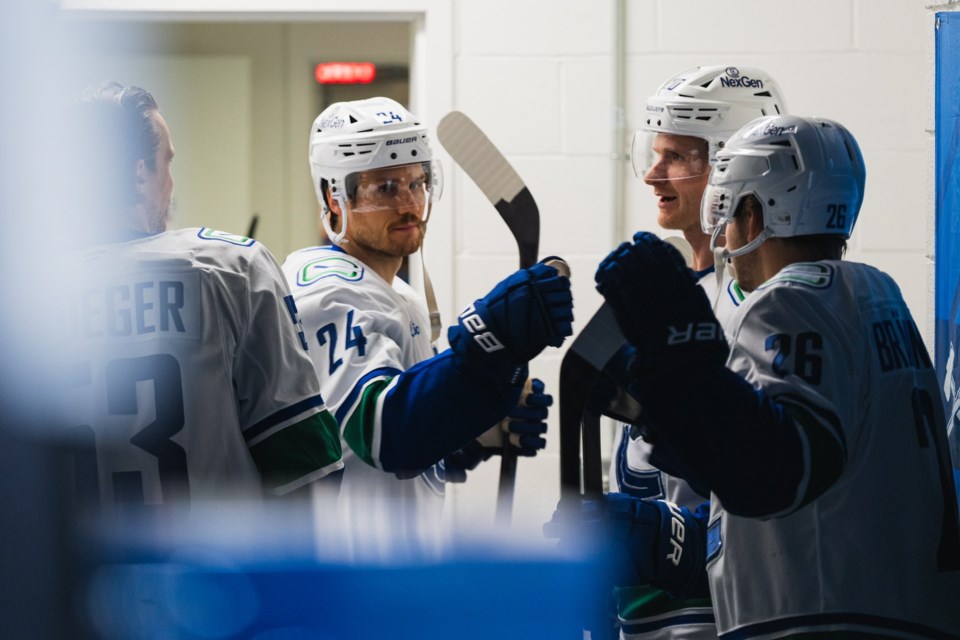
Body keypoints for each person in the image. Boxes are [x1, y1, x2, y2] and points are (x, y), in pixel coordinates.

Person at [591, 114, 960, 637]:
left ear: (759, 213)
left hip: (824, 619)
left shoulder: (788, 302)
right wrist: (663, 416)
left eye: (729, 205)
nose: (722, 228)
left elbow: (777, 471)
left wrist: (679, 366)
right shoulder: (877, 296)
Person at [282, 97, 573, 555]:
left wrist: (472, 431)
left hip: (399, 567)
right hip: (350, 579)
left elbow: (409, 462)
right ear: (334, 198)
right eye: (385, 188)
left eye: (418, 183)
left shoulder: (401, 294)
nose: (409, 203)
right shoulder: (327, 292)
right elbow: (383, 435)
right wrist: (483, 350)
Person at [62, 82, 344, 519]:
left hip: (76, 582)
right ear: (140, 171)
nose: (171, 181)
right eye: (166, 161)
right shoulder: (231, 267)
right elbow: (304, 466)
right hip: (214, 576)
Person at [608, 65, 789, 639]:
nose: (654, 175)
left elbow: (764, 468)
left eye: (680, 157)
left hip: (717, 606)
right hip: (653, 608)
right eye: (654, 153)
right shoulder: (675, 291)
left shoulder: (767, 301)